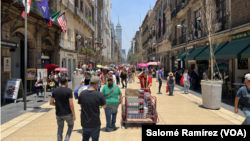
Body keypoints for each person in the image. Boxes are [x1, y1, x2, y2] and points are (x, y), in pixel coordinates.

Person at [78, 77, 107, 141]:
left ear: (89, 83)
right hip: (95, 122)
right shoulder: (99, 94)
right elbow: (104, 106)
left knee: (85, 138)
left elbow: (80, 104)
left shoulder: (82, 93)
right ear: (97, 84)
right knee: (95, 139)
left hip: (85, 122)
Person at [50, 76, 76, 141]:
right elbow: (71, 104)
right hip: (67, 113)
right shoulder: (69, 91)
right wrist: (74, 115)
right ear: (66, 82)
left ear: (59, 82)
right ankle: (66, 139)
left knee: (60, 128)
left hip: (58, 113)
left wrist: (57, 104)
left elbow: (51, 102)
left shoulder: (55, 91)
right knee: (70, 125)